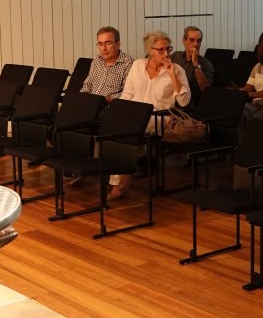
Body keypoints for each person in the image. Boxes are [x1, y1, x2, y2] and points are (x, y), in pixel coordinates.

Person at [110, 31, 191, 199]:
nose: (166, 54)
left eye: (168, 49)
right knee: (116, 127)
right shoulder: (138, 65)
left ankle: (122, 180)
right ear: (150, 50)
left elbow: (184, 101)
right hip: (135, 114)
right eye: (160, 50)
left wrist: (171, 75)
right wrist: (122, 111)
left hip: (160, 117)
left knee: (131, 129)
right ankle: (123, 173)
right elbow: (128, 93)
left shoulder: (177, 70)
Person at [80, 26, 134, 101]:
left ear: (118, 44)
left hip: (110, 106)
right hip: (90, 103)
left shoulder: (128, 63)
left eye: (108, 43)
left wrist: (108, 99)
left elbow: (129, 93)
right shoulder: (97, 60)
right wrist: (82, 98)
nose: (104, 48)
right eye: (100, 44)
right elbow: (88, 84)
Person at [170, 26, 213, 101]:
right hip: (172, 97)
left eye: (198, 41)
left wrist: (196, 63)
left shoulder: (205, 63)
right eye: (191, 40)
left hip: (191, 102)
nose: (195, 44)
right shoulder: (176, 56)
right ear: (184, 41)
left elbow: (205, 89)